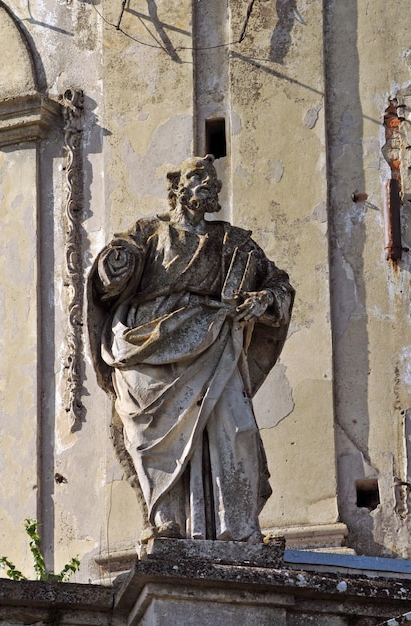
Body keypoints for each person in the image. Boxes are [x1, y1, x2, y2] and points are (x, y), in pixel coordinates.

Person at [88, 155, 294, 543]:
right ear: (177, 188)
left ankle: (239, 529)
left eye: (211, 179)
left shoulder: (234, 241)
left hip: (215, 339)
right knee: (153, 440)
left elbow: (278, 283)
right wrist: (113, 265)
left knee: (238, 428)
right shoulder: (149, 232)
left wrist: (264, 299)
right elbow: (111, 274)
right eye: (197, 176)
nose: (207, 184)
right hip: (149, 345)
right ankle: (168, 522)